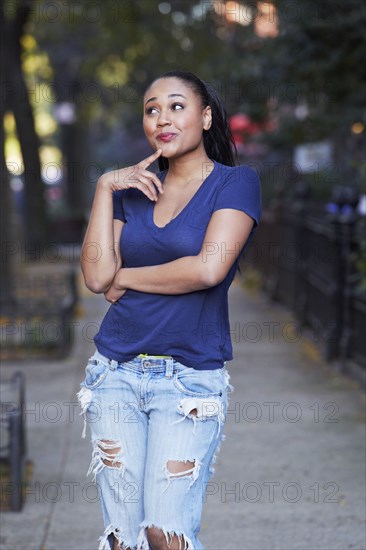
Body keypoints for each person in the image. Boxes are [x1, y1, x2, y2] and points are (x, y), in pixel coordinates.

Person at [77, 70, 261, 550]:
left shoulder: (235, 183)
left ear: (205, 116)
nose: (162, 118)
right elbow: (97, 277)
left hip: (189, 382)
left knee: (165, 532)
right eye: (151, 108)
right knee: (124, 538)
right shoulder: (128, 190)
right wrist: (103, 188)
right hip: (114, 373)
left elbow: (207, 269)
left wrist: (128, 277)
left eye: (177, 106)